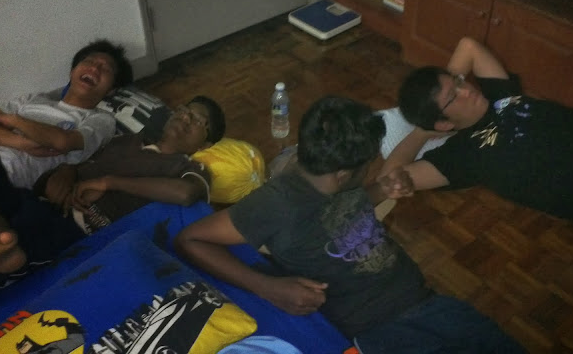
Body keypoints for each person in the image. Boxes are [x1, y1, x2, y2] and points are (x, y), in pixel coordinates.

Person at [175, 96, 523, 353]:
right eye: (369, 163)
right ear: (344, 174)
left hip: (428, 301)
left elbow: (345, 206)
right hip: (380, 330)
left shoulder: (330, 175)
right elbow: (191, 240)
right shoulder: (276, 204)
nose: (372, 167)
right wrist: (267, 286)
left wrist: (381, 189)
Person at [0, 39, 132, 308]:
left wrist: (13, 121)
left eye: (105, 69)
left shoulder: (99, 120)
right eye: (89, 62)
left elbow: (62, 141)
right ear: (73, 70)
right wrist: (21, 142)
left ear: (112, 89)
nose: (95, 68)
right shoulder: (32, 100)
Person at [382, 36, 573, 227]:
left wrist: (447, 87)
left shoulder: (499, 94)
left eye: (458, 81)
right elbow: (387, 180)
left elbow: (468, 46)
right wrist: (422, 132)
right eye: (453, 97)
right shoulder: (462, 156)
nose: (467, 90)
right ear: (443, 124)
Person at [36, 96, 226, 234]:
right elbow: (79, 162)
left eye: (198, 120)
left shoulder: (190, 168)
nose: (185, 118)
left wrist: (108, 183)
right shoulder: (125, 140)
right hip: (51, 207)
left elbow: (186, 193)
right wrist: (67, 171)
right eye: (184, 110)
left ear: (205, 145)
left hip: (87, 236)